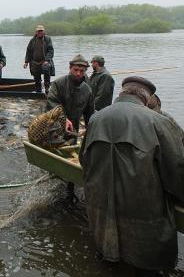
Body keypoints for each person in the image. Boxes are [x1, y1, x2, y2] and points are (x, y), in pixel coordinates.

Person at [80, 76, 184, 276]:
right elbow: (177, 172)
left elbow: (84, 160)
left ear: (122, 93)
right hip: (142, 215)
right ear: (146, 99)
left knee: (108, 260)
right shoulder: (159, 122)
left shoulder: (95, 118)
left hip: (100, 206)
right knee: (146, 265)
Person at [46, 54, 94, 137]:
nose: (78, 73)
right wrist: (63, 119)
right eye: (75, 70)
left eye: (82, 71)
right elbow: (51, 103)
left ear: (85, 71)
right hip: (54, 126)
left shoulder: (87, 90)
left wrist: (90, 130)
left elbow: (89, 114)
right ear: (70, 68)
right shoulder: (58, 84)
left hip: (73, 129)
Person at [23, 25, 55, 93]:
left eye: (41, 31)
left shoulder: (47, 39)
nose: (40, 32)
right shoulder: (32, 40)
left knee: (46, 71)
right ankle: (38, 91)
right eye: (39, 31)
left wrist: (47, 60)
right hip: (35, 62)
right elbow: (28, 51)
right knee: (36, 78)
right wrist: (26, 62)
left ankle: (47, 88)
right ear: (36, 32)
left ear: (43, 31)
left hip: (45, 61)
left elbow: (51, 51)